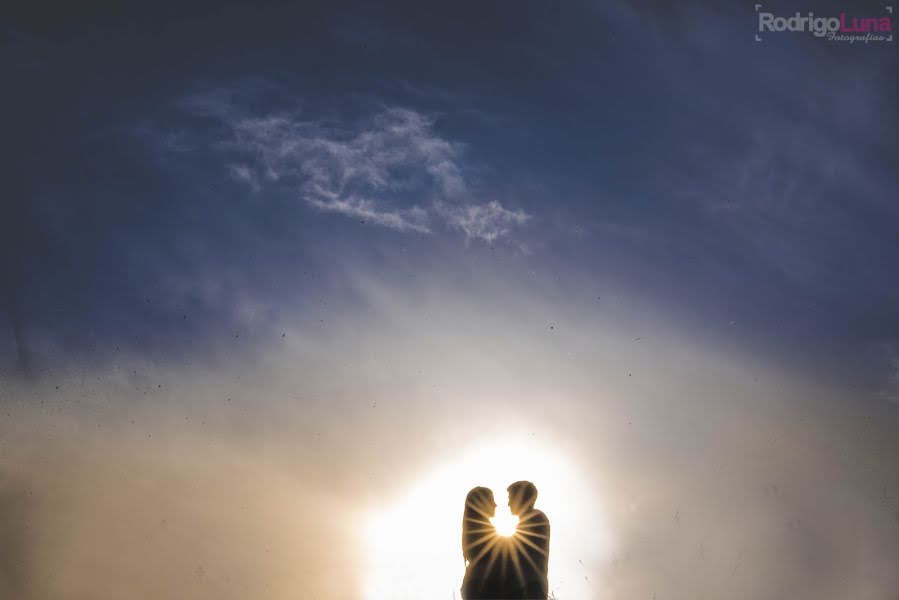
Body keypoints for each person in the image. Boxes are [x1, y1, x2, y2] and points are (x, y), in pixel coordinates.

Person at [505, 481, 550, 599]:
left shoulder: (535, 518)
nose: (508, 503)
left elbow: (517, 549)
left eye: (511, 498)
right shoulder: (530, 520)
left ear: (520, 498)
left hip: (529, 587)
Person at [460, 487, 505, 599]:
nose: (495, 505)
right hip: (484, 586)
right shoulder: (482, 530)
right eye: (491, 500)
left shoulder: (474, 528)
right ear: (481, 503)